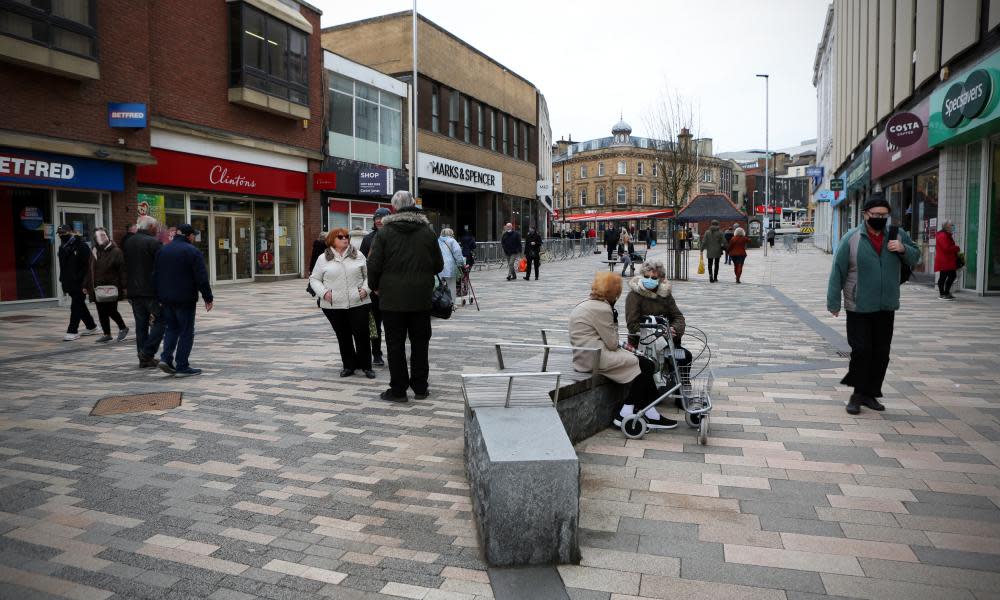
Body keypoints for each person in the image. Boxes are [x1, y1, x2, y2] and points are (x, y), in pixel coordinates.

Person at [827, 193, 919, 415]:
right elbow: (837, 270)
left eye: (884, 215)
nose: (879, 218)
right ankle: (857, 394)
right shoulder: (852, 238)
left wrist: (904, 249)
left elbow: (916, 257)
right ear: (865, 215)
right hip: (858, 305)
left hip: (886, 305)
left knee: (881, 352)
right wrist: (833, 302)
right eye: (875, 214)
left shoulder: (898, 235)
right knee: (861, 350)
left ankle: (870, 394)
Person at [569, 272, 677, 430]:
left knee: (644, 362)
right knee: (644, 365)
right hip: (596, 356)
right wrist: (614, 320)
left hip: (585, 355)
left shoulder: (586, 303)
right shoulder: (603, 308)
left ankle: (649, 412)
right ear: (614, 292)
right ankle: (626, 413)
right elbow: (612, 343)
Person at [367, 191, 443, 402]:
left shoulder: (384, 233)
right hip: (421, 299)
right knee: (420, 344)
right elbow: (439, 265)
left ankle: (398, 390)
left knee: (395, 345)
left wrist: (374, 287)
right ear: (413, 205)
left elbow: (373, 265)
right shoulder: (427, 232)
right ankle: (420, 388)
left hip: (392, 299)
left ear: (394, 208)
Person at [311, 228, 375, 379]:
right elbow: (314, 279)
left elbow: (369, 275)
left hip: (359, 302)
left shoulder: (357, 255)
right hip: (334, 305)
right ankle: (349, 366)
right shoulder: (323, 258)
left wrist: (366, 290)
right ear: (332, 240)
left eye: (347, 236)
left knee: (362, 335)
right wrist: (324, 293)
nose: (345, 239)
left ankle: (367, 366)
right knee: (343, 336)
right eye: (341, 237)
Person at [155, 224, 214, 377]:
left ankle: (166, 358)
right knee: (186, 331)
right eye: (194, 235)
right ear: (189, 236)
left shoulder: (163, 250)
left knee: (171, 329)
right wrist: (208, 297)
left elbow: (155, 275)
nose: (194, 238)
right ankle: (182, 365)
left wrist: (158, 297)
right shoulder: (192, 251)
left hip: (166, 299)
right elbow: (201, 277)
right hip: (185, 299)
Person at [125, 216, 165, 367]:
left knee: (141, 325)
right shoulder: (153, 243)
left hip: (134, 290)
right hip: (150, 290)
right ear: (150, 227)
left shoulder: (129, 241)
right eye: (155, 227)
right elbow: (162, 267)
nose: (157, 229)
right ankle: (147, 353)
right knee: (162, 320)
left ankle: (144, 358)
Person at [85, 227, 129, 344]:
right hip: (97, 287)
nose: (101, 238)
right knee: (101, 311)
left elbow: (122, 271)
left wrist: (124, 287)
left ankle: (123, 328)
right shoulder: (94, 250)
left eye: (103, 235)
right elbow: (89, 269)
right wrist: (86, 285)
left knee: (111, 310)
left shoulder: (116, 251)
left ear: (107, 236)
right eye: (98, 236)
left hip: (111, 286)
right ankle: (107, 334)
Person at [361, 208, 391, 366]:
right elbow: (362, 264)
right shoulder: (368, 239)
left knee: (392, 325)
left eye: (382, 217)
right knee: (374, 325)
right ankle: (377, 354)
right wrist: (370, 286)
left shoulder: (394, 236)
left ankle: (394, 353)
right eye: (376, 218)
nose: (378, 220)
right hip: (373, 289)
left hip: (391, 289)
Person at [57, 224, 98, 341]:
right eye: (59, 234)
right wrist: (62, 279)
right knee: (79, 304)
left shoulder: (82, 246)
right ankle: (92, 326)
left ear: (71, 232)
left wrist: (85, 282)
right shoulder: (62, 247)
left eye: (63, 233)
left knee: (75, 305)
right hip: (68, 282)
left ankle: (72, 330)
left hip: (80, 282)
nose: (61, 235)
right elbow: (63, 266)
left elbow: (88, 266)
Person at [934, 220, 960, 300]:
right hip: (944, 260)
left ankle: (946, 293)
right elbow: (946, 248)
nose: (953, 226)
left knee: (952, 275)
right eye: (951, 225)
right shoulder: (942, 235)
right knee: (943, 277)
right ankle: (942, 294)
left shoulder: (947, 235)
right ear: (947, 227)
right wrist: (956, 248)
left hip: (948, 260)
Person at [437, 227, 465, 300]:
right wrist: (461, 263)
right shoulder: (452, 241)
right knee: (451, 286)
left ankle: (439, 301)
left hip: (439, 266)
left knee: (438, 285)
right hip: (450, 267)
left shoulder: (437, 241)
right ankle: (452, 303)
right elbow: (457, 253)